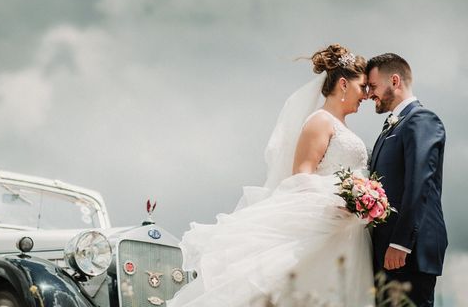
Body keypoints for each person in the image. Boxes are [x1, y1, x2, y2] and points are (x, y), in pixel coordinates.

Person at [169, 44, 374, 307]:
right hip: (329, 222)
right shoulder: (320, 121)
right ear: (344, 84)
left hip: (348, 232)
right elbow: (301, 175)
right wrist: (342, 200)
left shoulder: (342, 126)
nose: (366, 95)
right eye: (362, 87)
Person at [366, 54, 447, 307]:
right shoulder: (389, 128)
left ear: (394, 80)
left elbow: (419, 183)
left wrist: (401, 243)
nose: (369, 94)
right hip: (385, 253)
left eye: (373, 86)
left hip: (407, 253)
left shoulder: (422, 119)